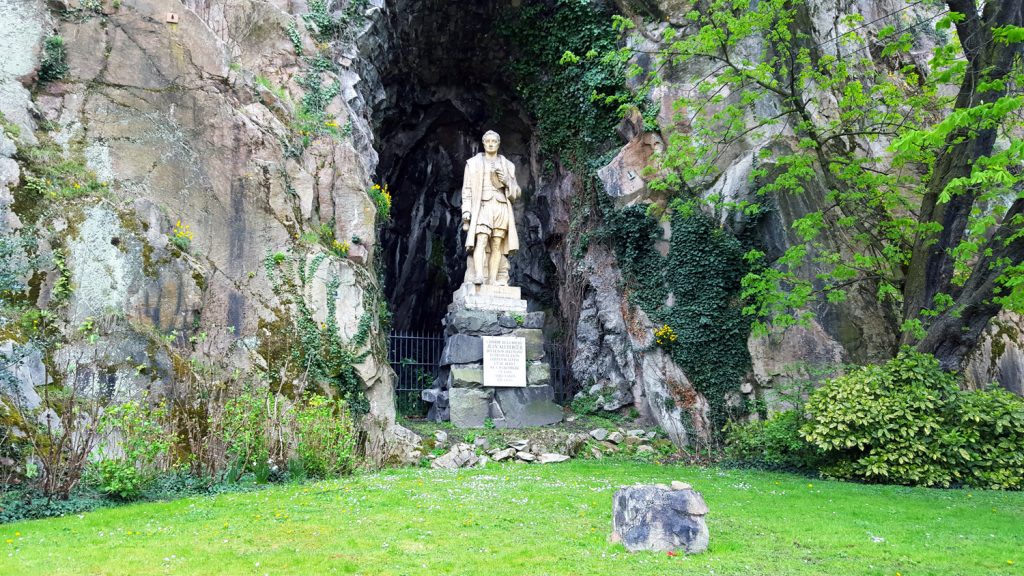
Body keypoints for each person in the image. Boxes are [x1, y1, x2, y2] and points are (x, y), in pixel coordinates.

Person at [461, 130, 520, 286]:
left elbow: (517, 192)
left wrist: (507, 181)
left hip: (500, 206)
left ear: (498, 144)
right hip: (482, 206)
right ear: (483, 143)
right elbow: (466, 190)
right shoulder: (473, 163)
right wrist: (466, 210)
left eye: (494, 141)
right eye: (488, 141)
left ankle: (493, 280)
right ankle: (479, 275)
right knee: (481, 239)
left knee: (496, 245)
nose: (491, 144)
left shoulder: (508, 165)